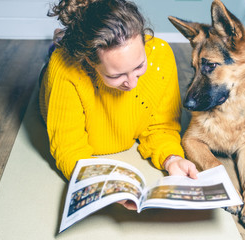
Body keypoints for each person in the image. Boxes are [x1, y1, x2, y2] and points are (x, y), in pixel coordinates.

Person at [39, 0, 198, 209]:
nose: (132, 83)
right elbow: (69, 148)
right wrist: (105, 185)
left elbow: (161, 127)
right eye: (116, 75)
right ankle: (58, 42)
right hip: (56, 78)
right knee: (55, 57)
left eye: (139, 66)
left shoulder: (160, 54)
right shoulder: (64, 70)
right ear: (89, 62)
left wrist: (172, 158)